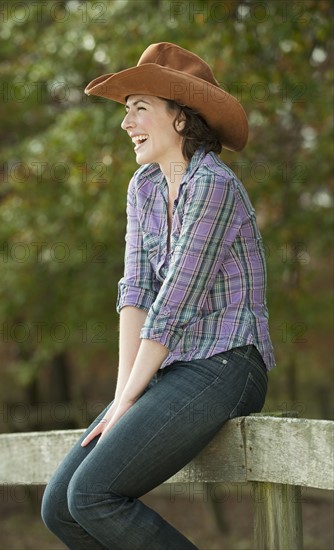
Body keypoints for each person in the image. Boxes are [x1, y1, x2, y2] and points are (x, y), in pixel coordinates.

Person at [41, 42, 275, 550]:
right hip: (170, 365)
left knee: (94, 495)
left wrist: (124, 403)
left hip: (229, 362)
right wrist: (123, 393)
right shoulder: (143, 187)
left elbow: (174, 305)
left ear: (181, 119)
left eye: (139, 108)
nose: (127, 123)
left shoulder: (215, 186)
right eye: (126, 111)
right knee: (60, 506)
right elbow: (137, 291)